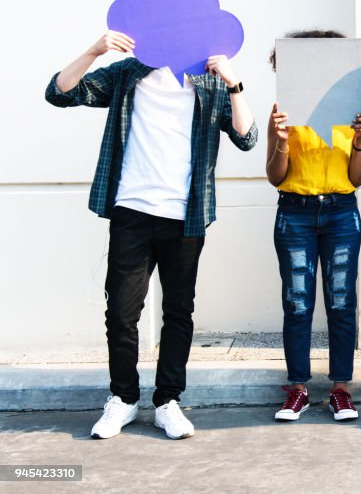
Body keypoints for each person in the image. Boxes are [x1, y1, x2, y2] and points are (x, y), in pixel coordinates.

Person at [45, 30, 257, 439]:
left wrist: (234, 83)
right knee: (122, 314)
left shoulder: (211, 79)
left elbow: (246, 138)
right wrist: (94, 49)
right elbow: (60, 92)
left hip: (185, 217)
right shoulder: (129, 73)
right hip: (132, 212)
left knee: (178, 312)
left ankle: (167, 402)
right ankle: (123, 399)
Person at [265, 30, 361, 422]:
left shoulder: (349, 111)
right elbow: (275, 176)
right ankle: (298, 389)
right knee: (297, 302)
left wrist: (359, 141)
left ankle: (341, 390)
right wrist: (280, 140)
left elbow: (357, 178)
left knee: (342, 301)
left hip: (341, 210)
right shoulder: (285, 111)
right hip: (295, 211)